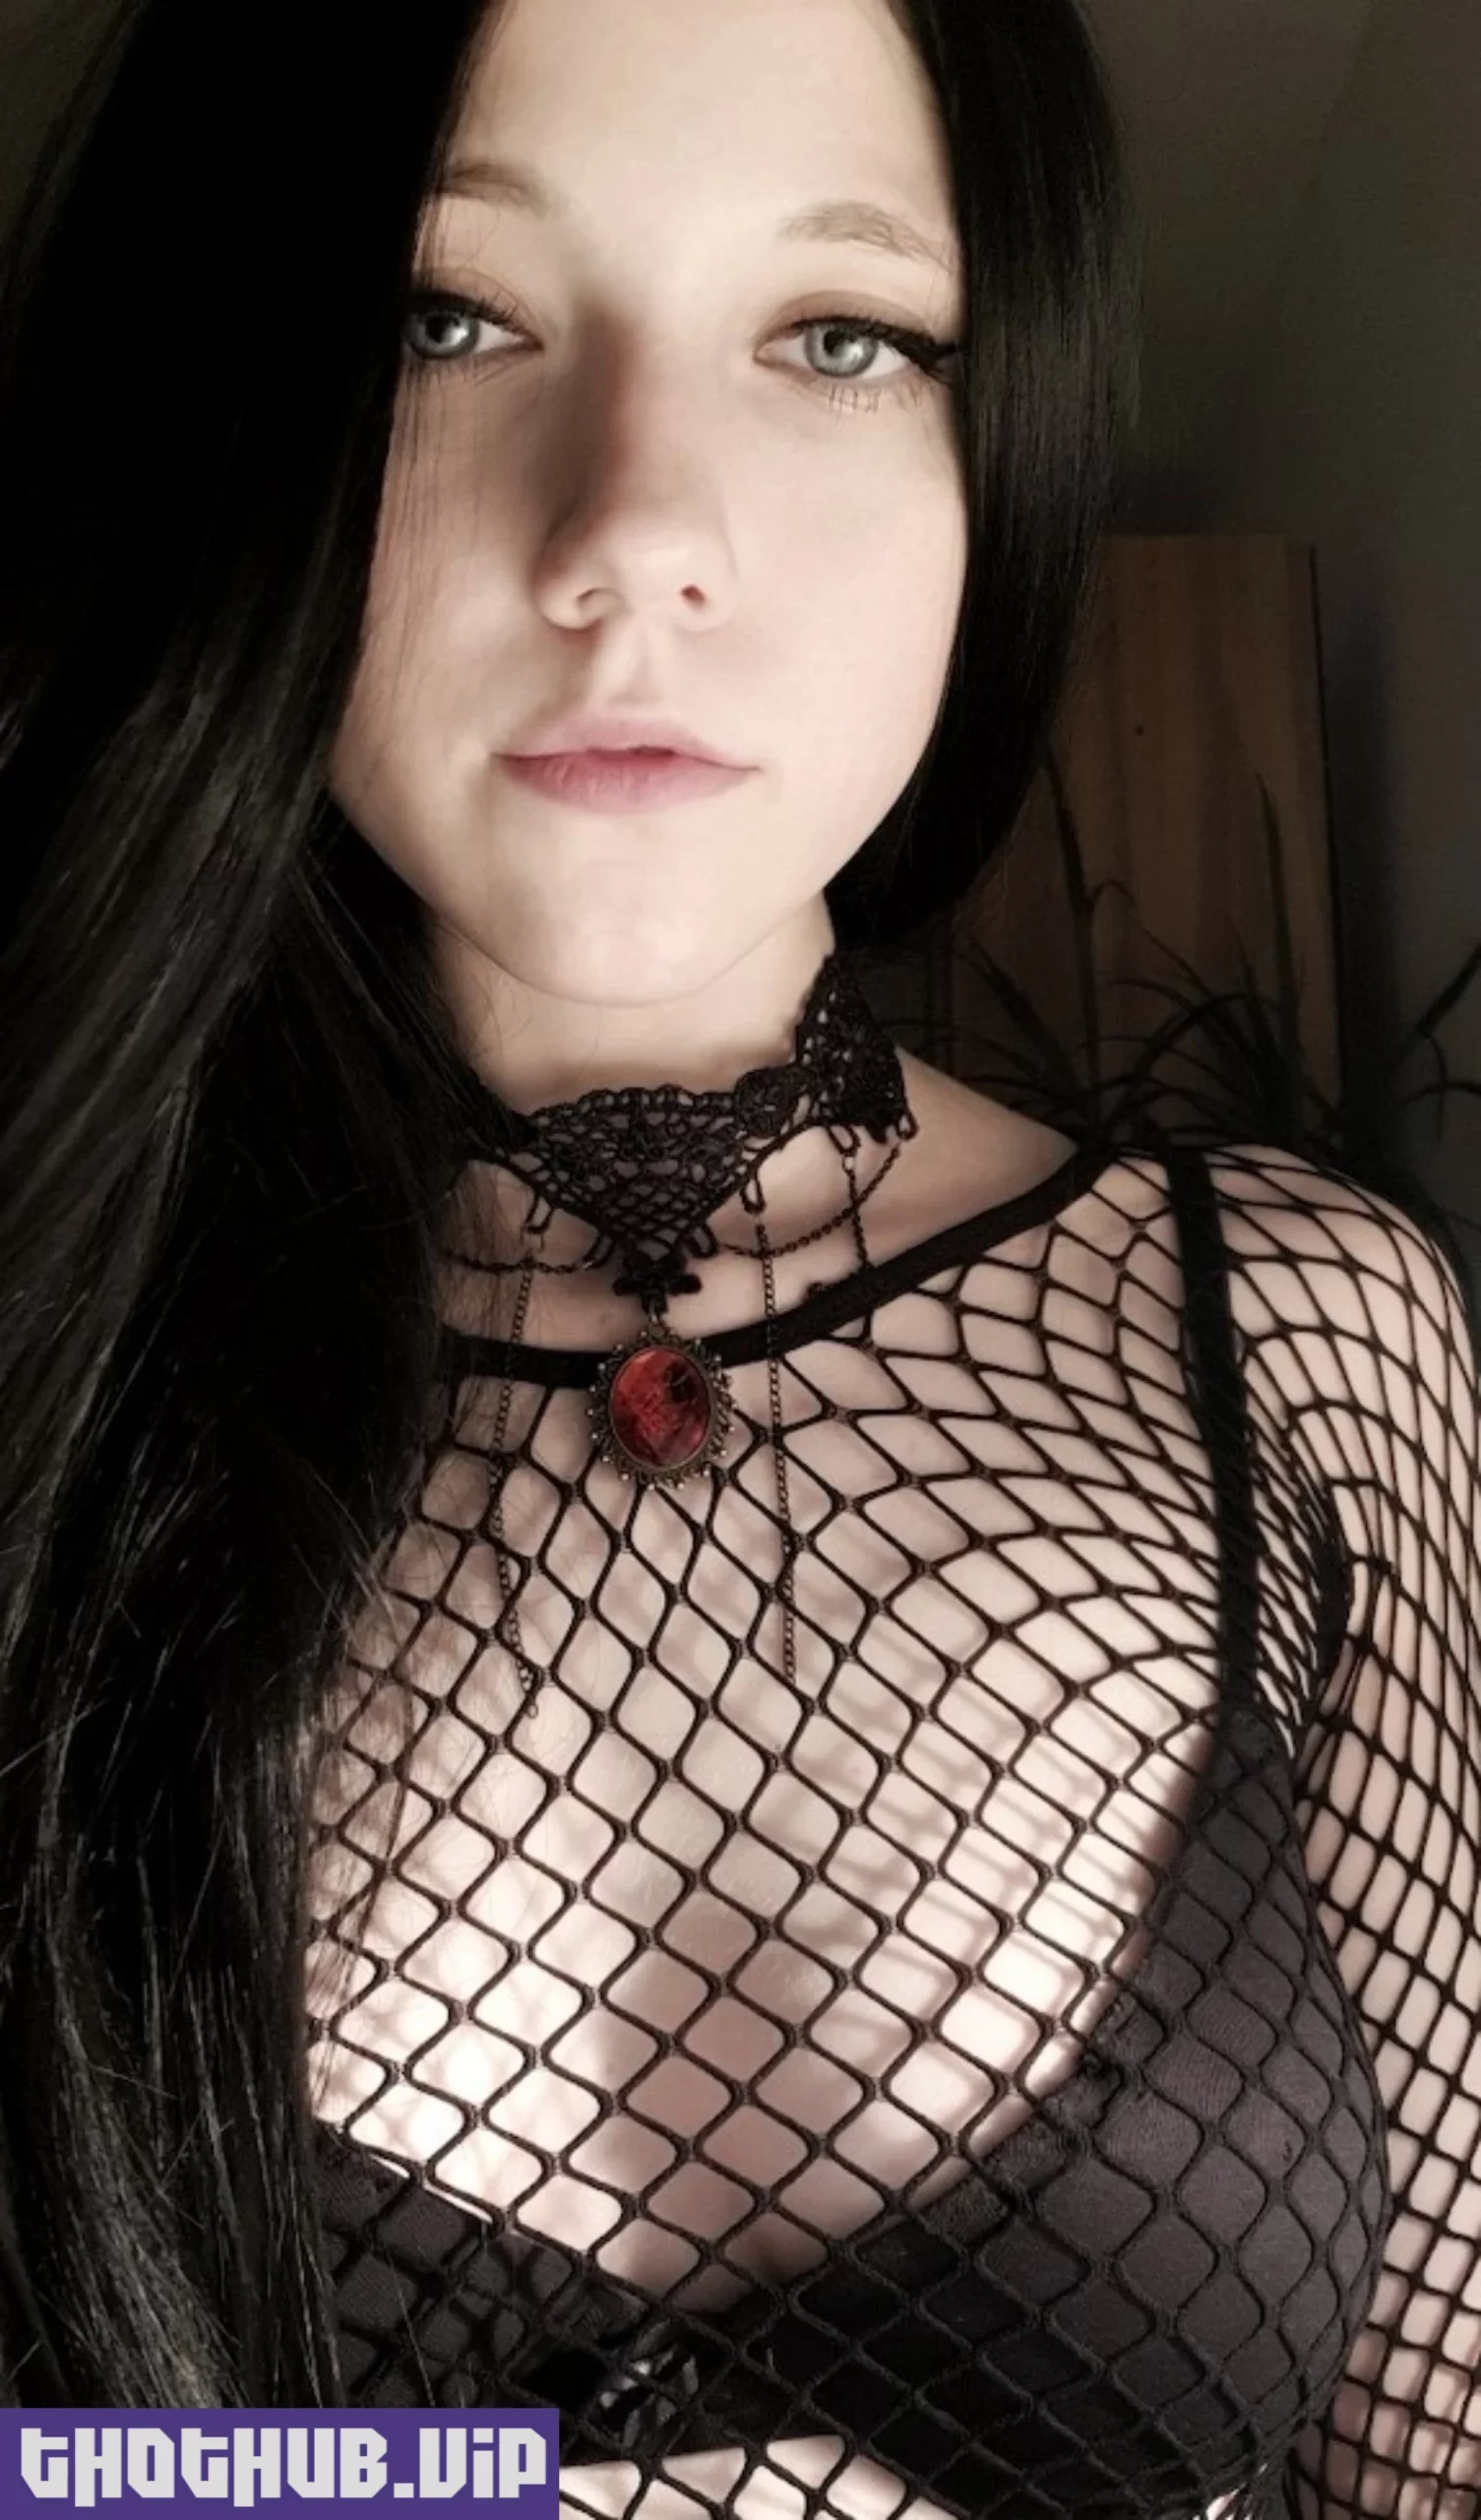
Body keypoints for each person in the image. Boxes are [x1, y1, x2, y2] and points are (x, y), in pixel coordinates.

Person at [0, 0, 1476, 2514]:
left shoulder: (1288, 1332)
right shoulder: (59, 1348)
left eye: (838, 335)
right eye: (442, 314)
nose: (636, 532)